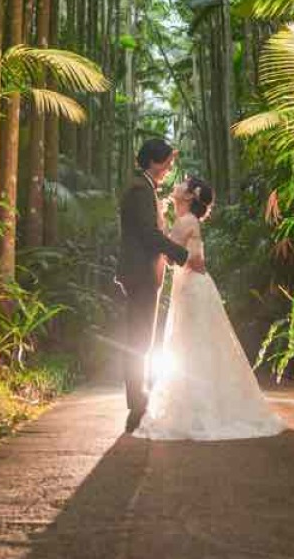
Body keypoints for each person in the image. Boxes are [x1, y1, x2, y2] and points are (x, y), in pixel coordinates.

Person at [134, 175, 284, 442]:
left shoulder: (186, 222)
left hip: (192, 290)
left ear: (190, 196)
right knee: (198, 346)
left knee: (191, 346)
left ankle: (198, 412)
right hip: (194, 286)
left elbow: (170, 257)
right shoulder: (187, 221)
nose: (177, 185)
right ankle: (204, 408)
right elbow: (182, 256)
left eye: (183, 183)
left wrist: (160, 223)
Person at [116, 138, 204, 434]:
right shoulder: (140, 189)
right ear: (154, 161)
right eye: (167, 162)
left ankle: (139, 401)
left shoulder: (144, 187)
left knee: (141, 339)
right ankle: (137, 406)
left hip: (143, 273)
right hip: (140, 274)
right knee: (139, 340)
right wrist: (181, 255)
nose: (169, 168)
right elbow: (148, 235)